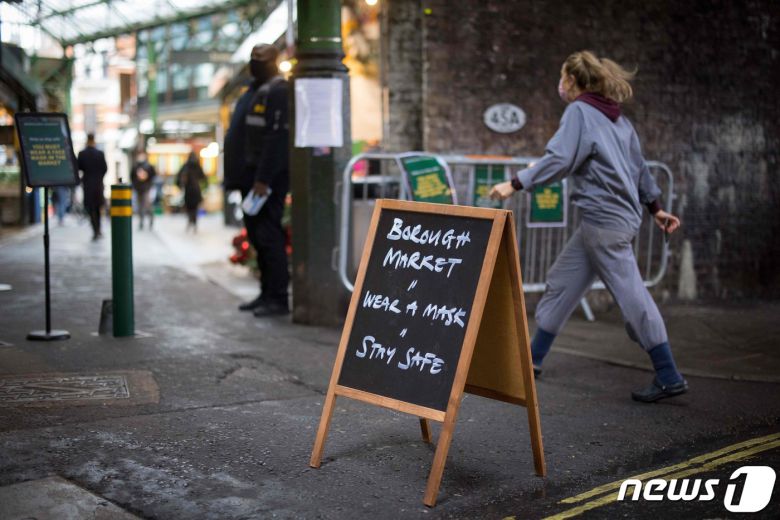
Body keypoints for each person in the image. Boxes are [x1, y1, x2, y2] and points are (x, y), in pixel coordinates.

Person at [490, 50, 686, 403]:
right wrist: (655, 208)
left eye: (563, 77)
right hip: (605, 220)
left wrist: (516, 183)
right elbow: (640, 169)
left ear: (573, 81)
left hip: (605, 222)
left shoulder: (579, 111)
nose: (560, 84)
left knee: (632, 295)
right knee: (562, 281)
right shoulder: (618, 121)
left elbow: (561, 158)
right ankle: (532, 359)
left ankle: (668, 373)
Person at [224, 44, 290, 317]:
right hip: (249, 180)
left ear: (274, 62)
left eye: (260, 61)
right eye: (253, 60)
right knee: (258, 238)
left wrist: (263, 179)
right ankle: (266, 294)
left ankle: (277, 298)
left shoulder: (278, 90)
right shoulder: (253, 91)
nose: (255, 64)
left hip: (264, 182)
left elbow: (277, 139)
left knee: (269, 237)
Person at [77, 133, 107, 240]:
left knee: (91, 208)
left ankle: (95, 229)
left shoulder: (82, 154)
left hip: (88, 184)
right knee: (98, 207)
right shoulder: (100, 154)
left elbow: (78, 168)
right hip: (98, 184)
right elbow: (104, 168)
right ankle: (98, 229)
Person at [176, 152, 206, 232]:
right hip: (196, 190)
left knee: (189, 207)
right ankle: (194, 221)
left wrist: (180, 185)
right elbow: (203, 177)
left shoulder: (186, 166)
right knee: (195, 208)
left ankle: (190, 220)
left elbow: (179, 177)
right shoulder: (197, 166)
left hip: (188, 190)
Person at [131, 151, 157, 230]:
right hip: (138, 189)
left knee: (147, 205)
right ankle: (141, 222)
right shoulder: (135, 166)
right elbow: (132, 176)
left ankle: (151, 220)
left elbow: (153, 176)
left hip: (147, 188)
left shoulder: (149, 166)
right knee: (140, 206)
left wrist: (148, 180)